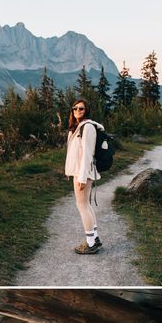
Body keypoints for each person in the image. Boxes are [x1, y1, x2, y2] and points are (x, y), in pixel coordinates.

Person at [64, 98, 103, 255]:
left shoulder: (87, 128)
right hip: (80, 171)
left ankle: (90, 243)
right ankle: (95, 238)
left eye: (81, 108)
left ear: (86, 110)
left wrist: (81, 178)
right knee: (85, 204)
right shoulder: (75, 128)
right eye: (75, 108)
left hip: (83, 172)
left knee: (82, 206)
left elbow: (87, 155)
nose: (77, 111)